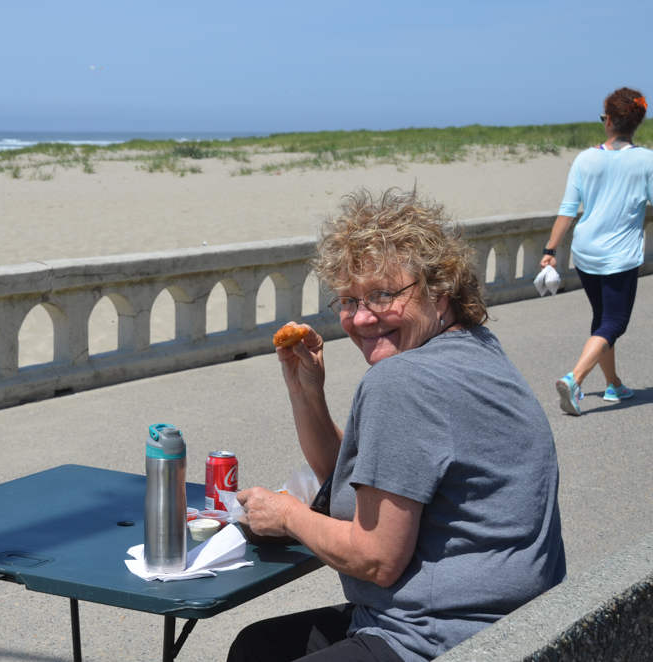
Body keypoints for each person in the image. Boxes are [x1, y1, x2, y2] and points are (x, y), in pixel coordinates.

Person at [230, 189, 566, 662]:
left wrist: (287, 515)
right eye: (349, 300)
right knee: (258, 645)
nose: (362, 317)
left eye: (383, 295)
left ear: (438, 290)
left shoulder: (402, 379)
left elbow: (376, 559)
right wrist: (306, 391)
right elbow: (371, 475)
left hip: (441, 636)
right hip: (518, 619)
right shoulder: (477, 350)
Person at [541, 87, 652, 416]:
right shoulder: (646, 160)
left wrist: (550, 249)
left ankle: (614, 384)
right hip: (619, 256)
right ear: (636, 123)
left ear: (608, 122)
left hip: (586, 253)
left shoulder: (585, 158)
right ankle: (574, 378)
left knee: (603, 319)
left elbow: (567, 209)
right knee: (615, 322)